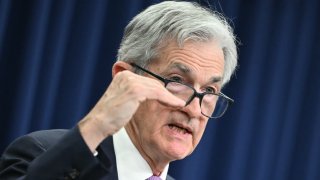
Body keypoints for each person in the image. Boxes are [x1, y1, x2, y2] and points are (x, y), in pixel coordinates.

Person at [0, 1, 238, 179]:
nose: (194, 109)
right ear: (124, 78)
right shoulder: (43, 155)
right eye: (177, 80)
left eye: (209, 90)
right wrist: (98, 123)